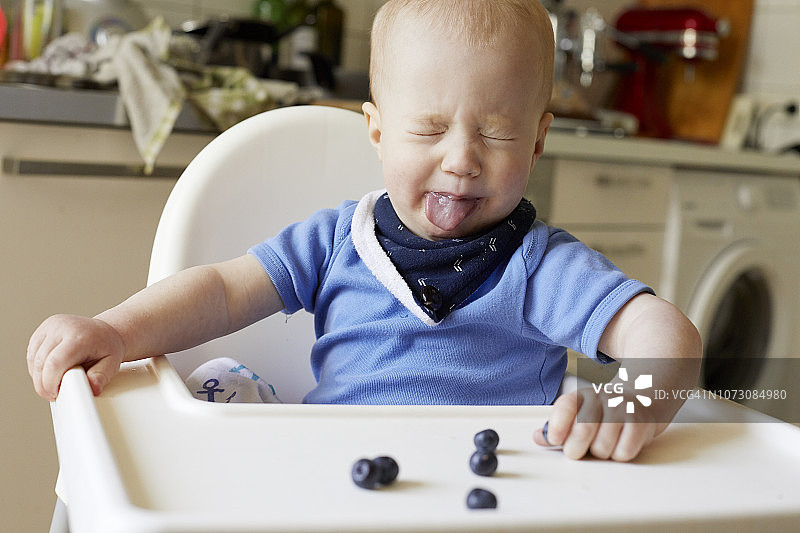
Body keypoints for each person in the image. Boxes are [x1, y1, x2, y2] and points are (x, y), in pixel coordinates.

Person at [27, 0, 701, 462]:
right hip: (333, 482)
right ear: (376, 130)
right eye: (429, 129)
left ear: (538, 141)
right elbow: (220, 292)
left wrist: (633, 401)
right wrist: (116, 331)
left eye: (497, 132)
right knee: (216, 379)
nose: (461, 159)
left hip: (494, 493)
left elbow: (664, 333)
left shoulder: (542, 266)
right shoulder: (334, 242)